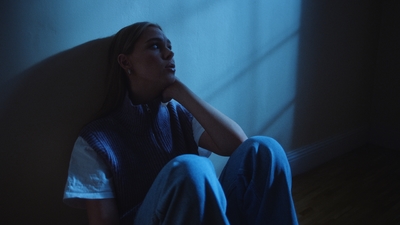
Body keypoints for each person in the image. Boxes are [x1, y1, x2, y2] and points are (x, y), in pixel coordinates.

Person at [63, 21, 298, 225]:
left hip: (208, 215)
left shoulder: (179, 115)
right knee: (193, 168)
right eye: (155, 46)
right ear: (125, 62)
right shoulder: (94, 140)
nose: (169, 54)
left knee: (264, 149)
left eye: (169, 47)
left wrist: (181, 91)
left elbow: (238, 144)